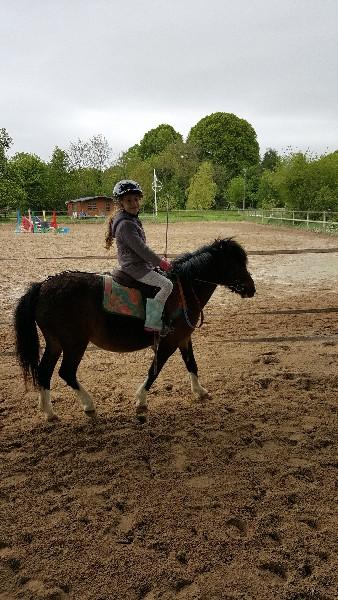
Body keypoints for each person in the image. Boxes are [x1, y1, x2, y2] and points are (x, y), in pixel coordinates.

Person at [105, 180, 173, 333]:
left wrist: (155, 263)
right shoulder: (126, 225)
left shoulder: (131, 219)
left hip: (139, 264)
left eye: (136, 199)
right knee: (167, 285)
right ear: (121, 203)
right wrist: (161, 263)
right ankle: (153, 322)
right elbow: (142, 249)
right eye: (128, 200)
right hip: (135, 268)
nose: (134, 203)